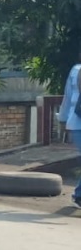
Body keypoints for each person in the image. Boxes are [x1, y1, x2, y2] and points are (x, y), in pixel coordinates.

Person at [58, 54, 81, 207]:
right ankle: (79, 195)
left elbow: (67, 98)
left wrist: (63, 119)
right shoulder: (76, 71)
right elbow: (68, 97)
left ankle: (78, 195)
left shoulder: (75, 70)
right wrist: (62, 119)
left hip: (75, 123)